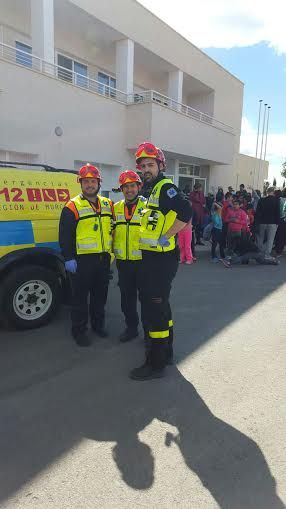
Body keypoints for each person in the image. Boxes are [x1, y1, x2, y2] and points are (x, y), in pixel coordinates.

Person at [130, 142, 192, 381]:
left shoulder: (166, 188)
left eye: (150, 164)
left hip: (160, 260)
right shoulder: (149, 189)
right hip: (151, 259)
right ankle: (165, 352)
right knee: (161, 307)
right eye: (143, 165)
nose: (146, 169)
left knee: (154, 310)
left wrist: (166, 236)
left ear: (160, 165)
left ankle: (154, 365)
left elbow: (186, 214)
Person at [59, 164, 114, 346]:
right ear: (80, 184)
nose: (90, 185)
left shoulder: (108, 204)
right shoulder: (72, 206)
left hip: (103, 260)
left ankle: (98, 326)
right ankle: (79, 331)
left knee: (100, 297)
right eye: (86, 182)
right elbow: (65, 235)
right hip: (81, 261)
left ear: (99, 183)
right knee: (80, 299)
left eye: (93, 181)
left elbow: (113, 229)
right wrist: (68, 258)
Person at [113, 170, 147, 342]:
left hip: (143, 263)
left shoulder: (148, 207)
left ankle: (150, 332)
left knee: (147, 300)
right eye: (125, 187)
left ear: (138, 186)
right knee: (127, 299)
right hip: (123, 263)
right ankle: (131, 328)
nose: (129, 190)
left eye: (132, 186)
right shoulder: (115, 208)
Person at [255, 187, 280, 258]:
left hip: (262, 222)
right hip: (272, 223)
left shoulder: (261, 200)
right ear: (273, 192)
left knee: (261, 238)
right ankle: (267, 254)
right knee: (270, 240)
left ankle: (260, 252)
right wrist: (277, 223)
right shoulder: (276, 201)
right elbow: (277, 213)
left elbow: (257, 212)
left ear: (267, 192)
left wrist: (257, 222)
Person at [210, 203, 230, 267]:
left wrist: (216, 204)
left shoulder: (216, 213)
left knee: (220, 243)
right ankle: (214, 257)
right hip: (216, 230)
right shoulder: (215, 214)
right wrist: (215, 203)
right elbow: (220, 208)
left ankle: (222, 256)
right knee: (215, 244)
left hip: (219, 229)